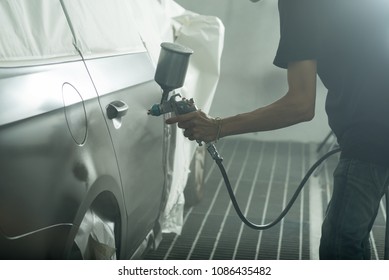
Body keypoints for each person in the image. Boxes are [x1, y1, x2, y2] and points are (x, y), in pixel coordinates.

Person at [166, 0, 389, 259]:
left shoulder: (299, 5)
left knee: (340, 247)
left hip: (373, 132)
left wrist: (217, 127)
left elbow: (300, 105)